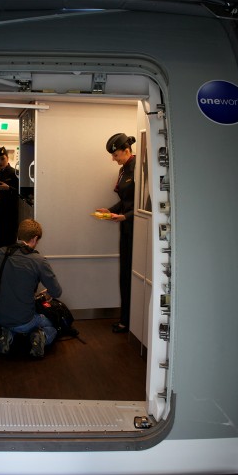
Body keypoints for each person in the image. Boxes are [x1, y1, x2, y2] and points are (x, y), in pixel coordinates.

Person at [0, 219, 62, 358]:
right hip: (25, 319)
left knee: (14, 322)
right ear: (35, 238)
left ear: (19, 234)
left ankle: (7, 335)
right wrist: (47, 295)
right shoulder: (38, 260)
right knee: (52, 325)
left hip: (0, 317)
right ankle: (41, 336)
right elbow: (57, 291)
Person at [97, 133, 136, 333]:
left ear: (127, 150)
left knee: (131, 275)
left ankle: (130, 322)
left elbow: (142, 204)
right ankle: (126, 320)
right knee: (124, 275)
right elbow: (126, 201)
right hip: (126, 228)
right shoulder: (123, 171)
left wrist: (125, 216)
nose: (113, 158)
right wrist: (111, 211)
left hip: (137, 229)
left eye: (115, 154)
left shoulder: (138, 169)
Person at [0, 146, 20, 248]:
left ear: (7, 158)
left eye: (2, 159)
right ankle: (0, 262)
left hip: (11, 211)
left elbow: (20, 194)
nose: (0, 162)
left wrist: (8, 188)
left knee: (10, 241)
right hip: (0, 209)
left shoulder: (14, 173)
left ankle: (8, 263)